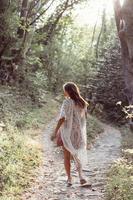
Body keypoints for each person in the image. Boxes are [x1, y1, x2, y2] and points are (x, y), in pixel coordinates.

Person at [52, 82, 89, 187]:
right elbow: (83, 120)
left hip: (67, 132)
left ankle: (69, 179)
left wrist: (55, 131)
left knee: (67, 156)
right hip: (78, 133)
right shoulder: (82, 103)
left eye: (64, 90)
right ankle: (81, 176)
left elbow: (62, 118)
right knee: (77, 154)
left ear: (68, 91)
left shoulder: (66, 102)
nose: (64, 92)